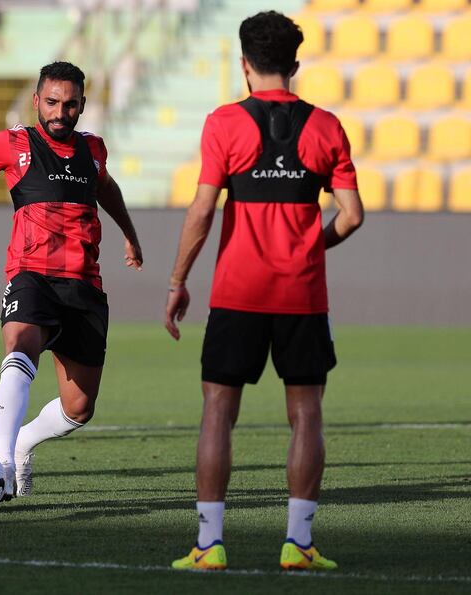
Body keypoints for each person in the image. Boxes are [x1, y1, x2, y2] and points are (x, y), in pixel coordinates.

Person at [165, 11, 364, 572]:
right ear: (294, 65)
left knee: (217, 414)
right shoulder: (326, 126)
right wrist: (312, 247)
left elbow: (203, 210)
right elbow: (351, 216)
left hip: (237, 294)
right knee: (306, 415)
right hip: (302, 296)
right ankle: (298, 544)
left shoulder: (224, 123)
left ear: (245, 65)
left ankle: (210, 545)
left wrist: (178, 281)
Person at [0, 61, 143, 499]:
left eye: (71, 104)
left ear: (81, 105)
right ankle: (3, 463)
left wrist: (131, 235)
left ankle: (24, 441)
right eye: (52, 102)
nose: (61, 112)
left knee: (80, 408)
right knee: (20, 346)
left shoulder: (93, 150)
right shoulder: (13, 144)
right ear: (37, 100)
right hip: (31, 275)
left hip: (84, 285)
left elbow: (105, 187)